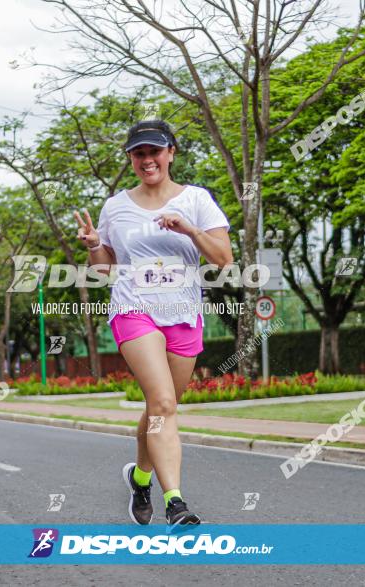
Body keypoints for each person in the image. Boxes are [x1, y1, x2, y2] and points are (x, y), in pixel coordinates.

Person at [74, 120, 233, 530]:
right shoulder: (116, 206)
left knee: (161, 409)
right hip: (134, 310)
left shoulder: (197, 200)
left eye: (155, 151)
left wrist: (191, 229)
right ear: (131, 159)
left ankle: (140, 478)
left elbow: (223, 260)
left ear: (171, 153)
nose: (147, 160)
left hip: (183, 315)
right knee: (162, 403)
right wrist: (94, 246)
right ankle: (175, 502)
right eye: (139, 153)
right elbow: (104, 270)